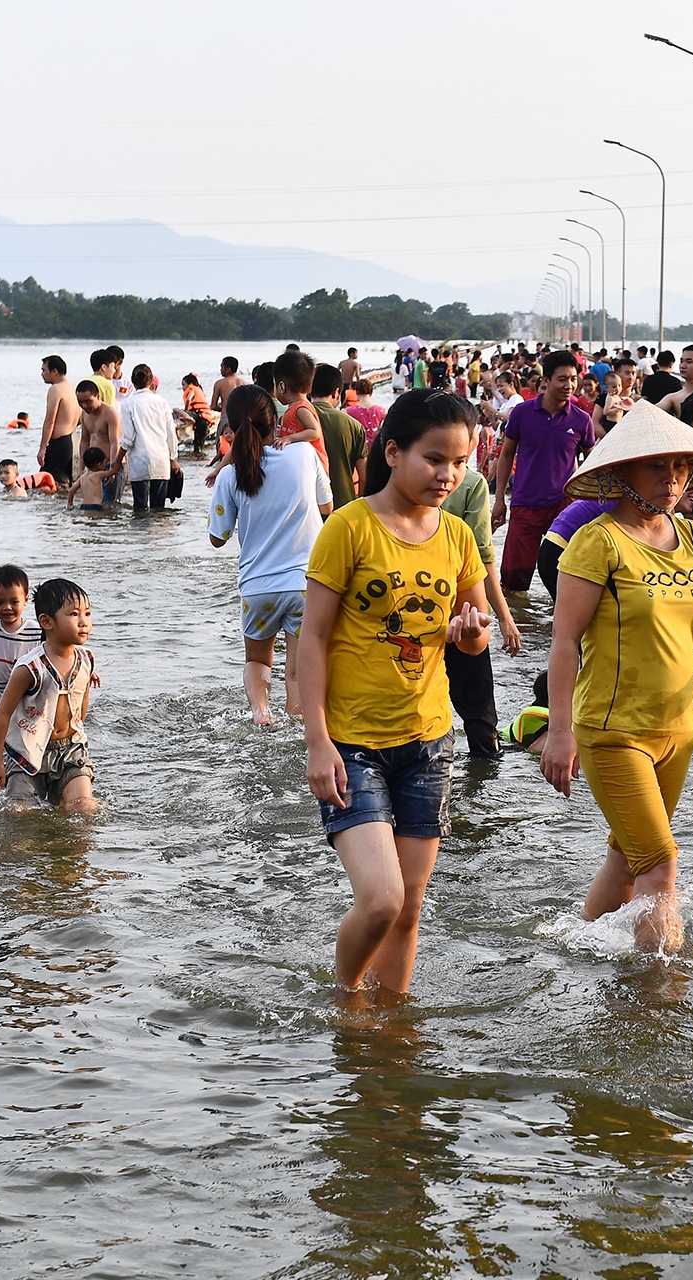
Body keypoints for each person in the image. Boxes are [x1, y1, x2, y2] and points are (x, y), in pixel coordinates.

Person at [542, 401, 693, 952]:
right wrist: (559, 731)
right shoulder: (597, 541)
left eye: (680, 467)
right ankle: (660, 1008)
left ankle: (577, 952)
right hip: (613, 731)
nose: (672, 479)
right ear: (621, 471)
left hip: (677, 731)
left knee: (628, 857)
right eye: (657, 467)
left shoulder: (692, 539)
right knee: (662, 864)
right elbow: (563, 642)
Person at [299, 389, 492, 998]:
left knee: (410, 908)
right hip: (352, 747)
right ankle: (347, 1000)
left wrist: (468, 634)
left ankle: (392, 1030)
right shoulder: (349, 527)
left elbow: (474, 640)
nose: (448, 474)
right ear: (392, 452)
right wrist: (317, 742)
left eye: (459, 462)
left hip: (428, 743)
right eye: (434, 458)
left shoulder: (458, 536)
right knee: (381, 899)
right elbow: (311, 640)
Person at [209, 385, 333, 726]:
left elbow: (217, 538)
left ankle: (261, 714)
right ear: (274, 421)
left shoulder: (230, 474)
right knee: (296, 669)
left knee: (258, 662)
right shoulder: (304, 455)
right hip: (305, 583)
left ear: (232, 429)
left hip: (257, 588)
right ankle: (297, 718)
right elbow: (327, 506)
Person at [0, 578, 98, 815]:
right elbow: (3, 713)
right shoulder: (30, 668)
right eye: (74, 614)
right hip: (28, 751)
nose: (83, 622)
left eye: (87, 613)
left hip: (70, 750)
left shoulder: (86, 659)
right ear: (46, 621)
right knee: (19, 814)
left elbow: (81, 703)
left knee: (84, 809)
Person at [441, 448, 523, 759]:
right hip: (461, 613)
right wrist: (504, 616)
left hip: (405, 623)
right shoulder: (469, 483)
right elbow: (482, 557)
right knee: (479, 716)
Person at [492, 350, 595, 594]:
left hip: (564, 508)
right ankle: (520, 628)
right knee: (513, 583)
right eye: (562, 379)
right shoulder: (522, 413)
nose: (569, 385)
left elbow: (593, 460)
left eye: (572, 379)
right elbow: (507, 454)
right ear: (546, 381)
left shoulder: (582, 420)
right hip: (524, 504)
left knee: (566, 578)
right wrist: (499, 500)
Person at [112, 364, 180, 512]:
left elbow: (128, 438)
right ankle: (157, 535)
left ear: (133, 382)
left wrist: (117, 461)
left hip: (140, 461)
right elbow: (171, 433)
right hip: (160, 460)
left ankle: (140, 535)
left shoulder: (128, 403)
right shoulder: (162, 402)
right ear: (151, 383)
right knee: (158, 509)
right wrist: (173, 458)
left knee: (139, 509)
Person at [311, 363, 367, 510]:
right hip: (344, 507)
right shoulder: (353, 425)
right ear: (336, 393)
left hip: (306, 511)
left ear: (309, 390)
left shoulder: (291, 419)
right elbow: (364, 477)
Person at [74, 380, 121, 504]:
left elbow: (114, 442)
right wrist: (81, 469)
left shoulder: (110, 414)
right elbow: (84, 440)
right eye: (80, 402)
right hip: (93, 466)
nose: (84, 406)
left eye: (88, 401)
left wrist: (112, 468)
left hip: (109, 463)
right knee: (94, 501)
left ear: (98, 396)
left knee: (109, 503)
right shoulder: (84, 414)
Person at [179, 373, 215, 454]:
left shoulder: (192, 389)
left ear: (190, 384)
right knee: (198, 447)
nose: (182, 387)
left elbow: (188, 399)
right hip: (204, 420)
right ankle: (199, 461)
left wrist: (185, 411)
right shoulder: (199, 389)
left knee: (176, 409)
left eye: (183, 384)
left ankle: (189, 418)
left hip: (200, 418)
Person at [68, 447, 109, 512]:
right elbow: (113, 471)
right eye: (105, 462)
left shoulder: (82, 477)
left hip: (83, 506)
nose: (105, 464)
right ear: (99, 464)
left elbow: (71, 491)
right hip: (96, 507)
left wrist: (70, 504)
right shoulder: (98, 474)